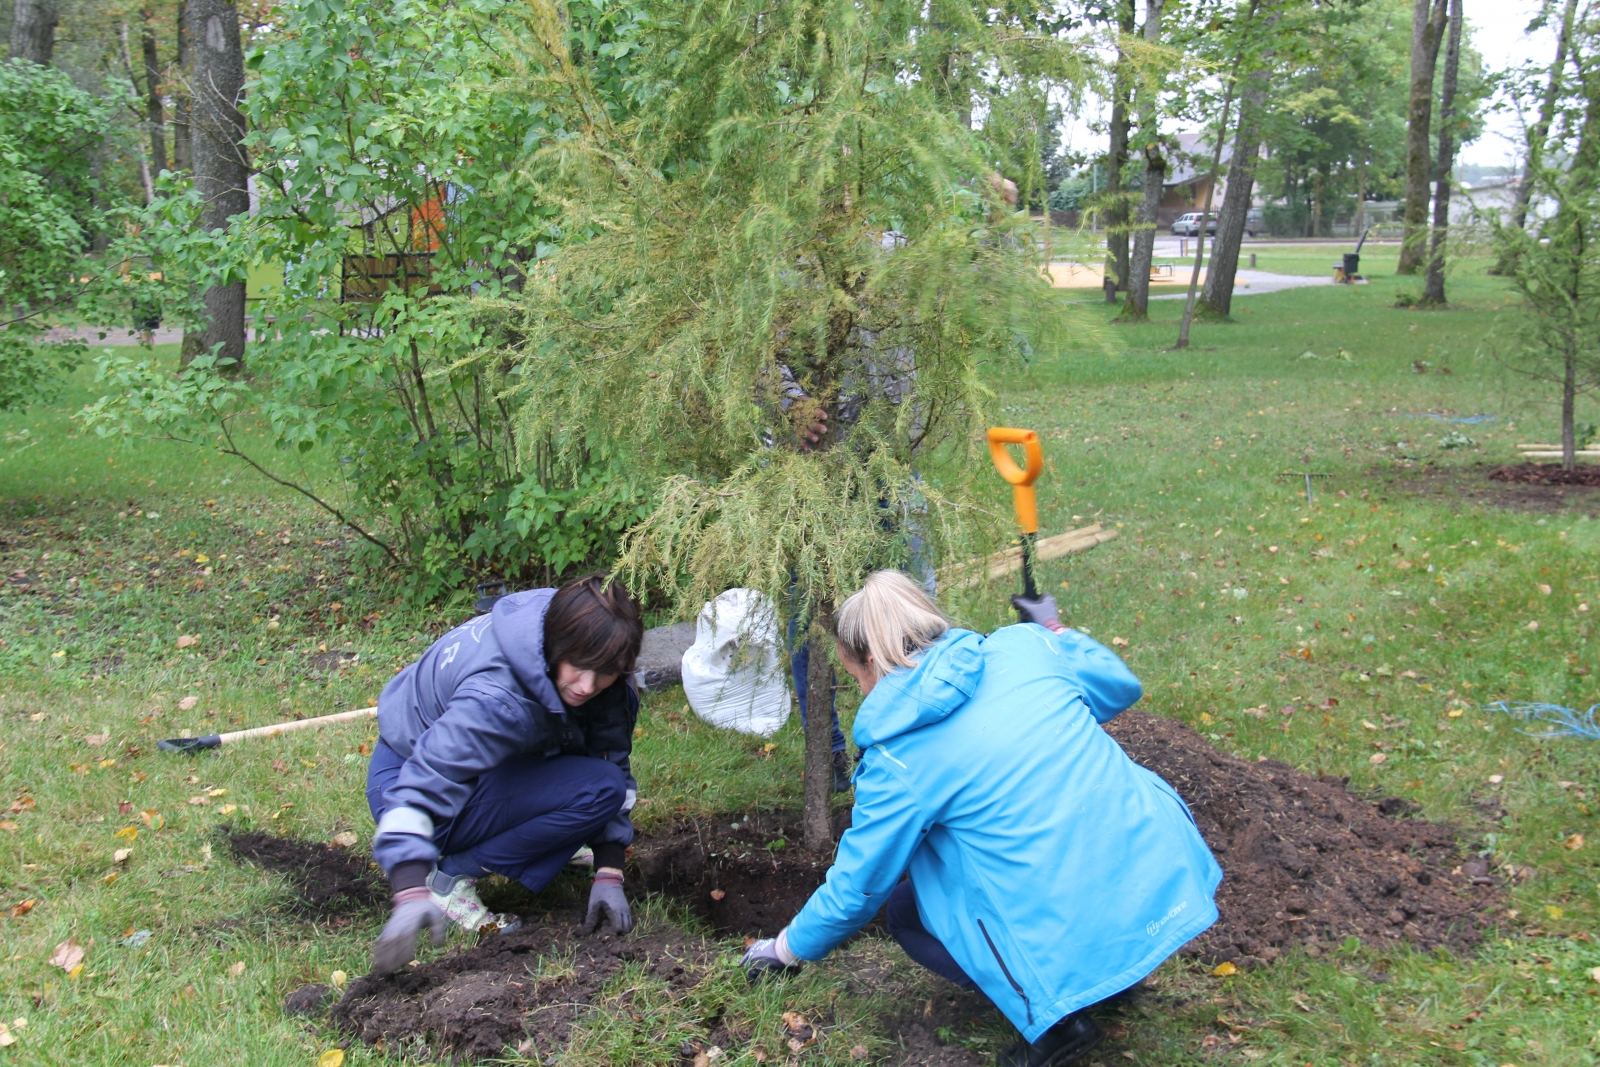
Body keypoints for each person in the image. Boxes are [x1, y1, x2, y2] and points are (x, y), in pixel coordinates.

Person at [740, 572, 1221, 1067]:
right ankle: (1115, 972)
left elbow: (858, 889)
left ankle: (1058, 1023)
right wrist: (1053, 629)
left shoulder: (899, 758)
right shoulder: (1025, 647)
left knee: (908, 911)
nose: (862, 691)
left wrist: (783, 951)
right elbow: (1118, 686)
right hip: (1161, 870)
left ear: (868, 660)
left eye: (856, 676)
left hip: (1081, 900)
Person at [365, 575, 643, 974]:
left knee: (601, 782)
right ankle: (449, 879)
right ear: (558, 643)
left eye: (605, 673)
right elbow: (429, 779)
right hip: (404, 779)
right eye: (578, 668)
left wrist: (610, 870)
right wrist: (410, 885)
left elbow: (608, 749)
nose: (587, 685)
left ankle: (539, 836)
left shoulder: (574, 628)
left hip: (476, 764)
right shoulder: (498, 698)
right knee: (597, 792)